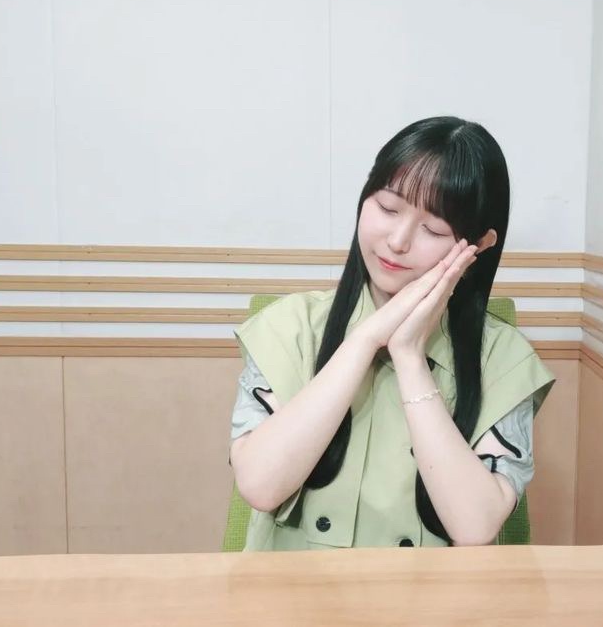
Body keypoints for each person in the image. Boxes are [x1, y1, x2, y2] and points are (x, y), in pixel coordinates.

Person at [228, 116, 555, 549]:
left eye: (433, 229)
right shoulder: (289, 326)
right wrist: (364, 340)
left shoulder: (503, 358)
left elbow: (474, 527)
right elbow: (260, 485)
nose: (398, 241)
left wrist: (409, 355)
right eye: (387, 207)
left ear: (479, 246)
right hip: (293, 589)